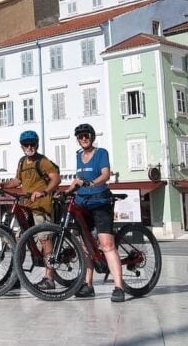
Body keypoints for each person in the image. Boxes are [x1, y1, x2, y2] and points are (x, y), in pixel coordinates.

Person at [0, 129, 60, 290]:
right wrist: (2, 184)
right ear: (22, 147)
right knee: (19, 240)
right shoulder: (22, 161)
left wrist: (44, 192)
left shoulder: (42, 161)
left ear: (37, 144)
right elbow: (17, 181)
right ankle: (16, 276)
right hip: (27, 205)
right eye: (26, 144)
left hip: (41, 206)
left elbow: (55, 178)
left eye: (32, 144)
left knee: (45, 239)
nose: (29, 147)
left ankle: (49, 278)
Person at [66, 123, 125, 302]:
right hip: (82, 204)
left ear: (92, 137)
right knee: (85, 247)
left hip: (100, 201)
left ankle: (119, 287)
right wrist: (67, 191)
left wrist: (93, 184)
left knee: (107, 244)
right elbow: (78, 180)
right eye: (80, 136)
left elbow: (105, 174)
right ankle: (88, 285)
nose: (83, 138)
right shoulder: (78, 156)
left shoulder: (101, 153)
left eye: (86, 135)